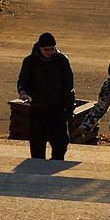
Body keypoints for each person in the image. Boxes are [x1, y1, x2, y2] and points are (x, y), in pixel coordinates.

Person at [16, 32, 75, 161]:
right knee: (37, 144)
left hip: (57, 108)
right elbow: (23, 81)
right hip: (38, 108)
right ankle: (38, 168)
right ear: (39, 48)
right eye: (46, 49)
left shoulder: (62, 61)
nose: (49, 52)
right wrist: (23, 92)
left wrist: (69, 107)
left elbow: (68, 86)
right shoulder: (30, 61)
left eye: (52, 49)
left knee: (61, 143)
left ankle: (56, 163)